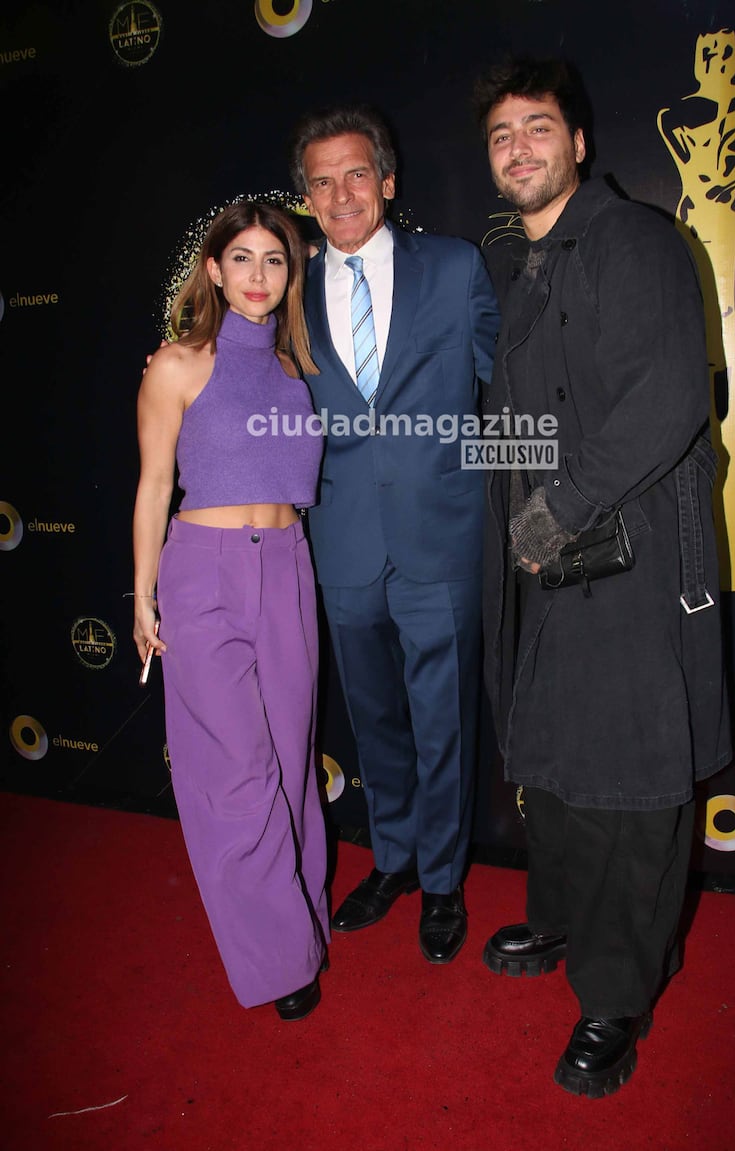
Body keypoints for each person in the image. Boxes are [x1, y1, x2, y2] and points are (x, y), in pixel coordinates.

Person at [472, 57, 731, 1096]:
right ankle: (569, 921)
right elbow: (518, 425)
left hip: (629, 568)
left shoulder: (633, 242)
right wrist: (480, 508)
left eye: (537, 128)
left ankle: (614, 996)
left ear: (578, 144)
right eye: (499, 137)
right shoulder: (530, 274)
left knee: (632, 791)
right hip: (551, 569)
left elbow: (667, 398)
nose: (518, 149)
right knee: (561, 770)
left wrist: (549, 512)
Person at [287, 105, 499, 963]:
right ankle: (396, 857)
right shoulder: (286, 289)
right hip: (339, 540)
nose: (340, 194)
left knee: (442, 719)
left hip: (441, 533)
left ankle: (443, 880)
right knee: (373, 718)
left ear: (387, 179)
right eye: (320, 180)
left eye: (354, 173)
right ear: (304, 195)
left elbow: (512, 379)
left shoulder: (454, 268)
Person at [132, 200, 330, 1021]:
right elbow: (151, 487)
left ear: (292, 274)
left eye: (274, 260)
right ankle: (282, 957)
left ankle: (304, 921)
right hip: (202, 576)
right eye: (241, 258)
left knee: (289, 764)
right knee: (239, 775)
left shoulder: (297, 372)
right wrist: (141, 596)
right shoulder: (175, 366)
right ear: (212, 269)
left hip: (287, 569)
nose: (258, 276)